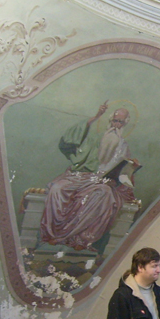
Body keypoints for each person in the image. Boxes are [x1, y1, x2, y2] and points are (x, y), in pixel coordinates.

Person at [40, 101, 139, 253]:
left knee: (104, 194)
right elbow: (68, 142)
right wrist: (95, 117)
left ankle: (82, 239)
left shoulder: (123, 147)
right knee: (58, 188)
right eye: (114, 120)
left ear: (125, 124)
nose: (116, 125)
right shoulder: (94, 139)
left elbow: (123, 175)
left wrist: (131, 168)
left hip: (104, 182)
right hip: (81, 175)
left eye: (120, 122)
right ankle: (55, 235)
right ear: (110, 120)